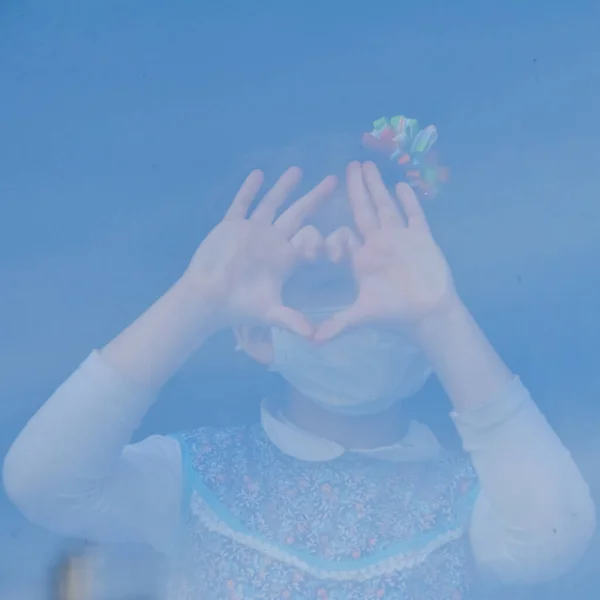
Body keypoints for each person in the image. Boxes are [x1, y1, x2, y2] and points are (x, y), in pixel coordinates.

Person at [2, 145, 596, 599]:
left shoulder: (471, 500)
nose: (362, 312)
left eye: (388, 287)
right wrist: (197, 300)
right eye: (324, 287)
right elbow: (42, 483)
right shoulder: (197, 480)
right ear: (257, 331)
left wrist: (440, 315)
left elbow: (555, 537)